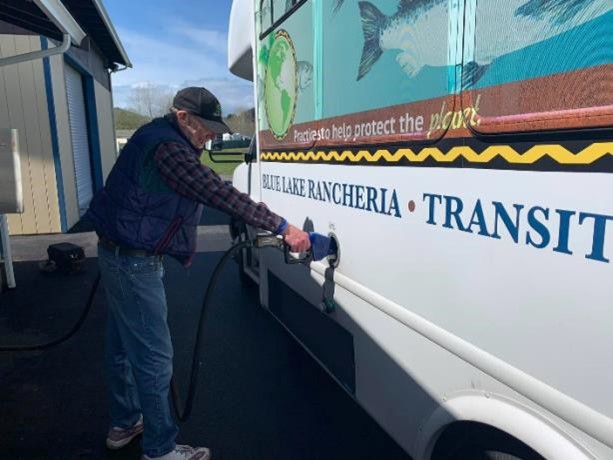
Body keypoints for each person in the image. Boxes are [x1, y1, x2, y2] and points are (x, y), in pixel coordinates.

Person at [85, 87, 311, 460]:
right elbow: (216, 192)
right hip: (133, 263)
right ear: (182, 117)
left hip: (118, 255)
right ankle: (159, 449)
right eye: (205, 126)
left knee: (123, 348)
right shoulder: (168, 148)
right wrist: (283, 226)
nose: (211, 135)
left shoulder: (154, 136)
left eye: (215, 128)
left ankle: (126, 423)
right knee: (155, 358)